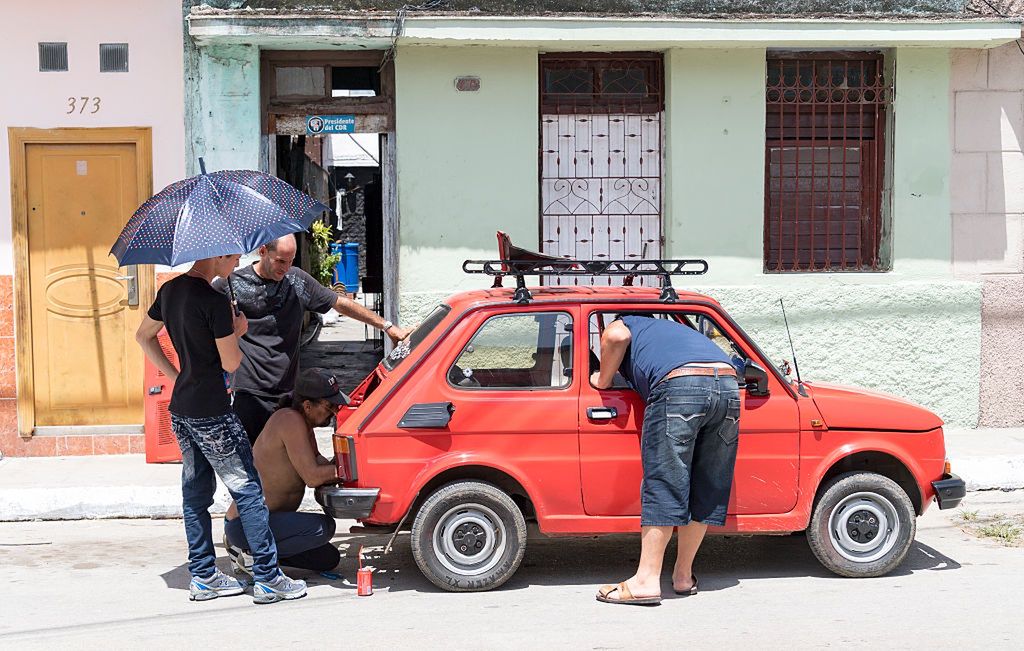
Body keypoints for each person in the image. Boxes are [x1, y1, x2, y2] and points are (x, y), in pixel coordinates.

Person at [136, 253, 307, 604]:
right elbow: (231, 362)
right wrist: (238, 330)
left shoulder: (170, 291)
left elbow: (143, 336)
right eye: (233, 257)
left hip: (182, 408)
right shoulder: (214, 301)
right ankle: (268, 577)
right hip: (212, 411)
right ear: (218, 256)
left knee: (195, 494)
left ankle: (203, 576)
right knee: (248, 491)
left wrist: (177, 377)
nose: (236, 263)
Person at [591, 314, 741, 606]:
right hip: (728, 385)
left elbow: (616, 337)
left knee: (666, 480)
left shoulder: (625, 323)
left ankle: (645, 581)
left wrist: (602, 378)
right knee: (708, 483)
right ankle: (683, 576)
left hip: (681, 385)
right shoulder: (674, 328)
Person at [214, 234, 410, 445]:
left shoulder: (297, 280)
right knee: (252, 459)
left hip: (288, 393)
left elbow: (339, 303)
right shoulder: (230, 285)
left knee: (292, 458)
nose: (285, 268)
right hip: (250, 393)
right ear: (262, 251)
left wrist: (387, 326)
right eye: (280, 261)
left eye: (290, 261)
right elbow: (200, 320)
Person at [223, 368, 346, 575]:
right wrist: (349, 469)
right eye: (329, 406)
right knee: (323, 528)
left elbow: (319, 462)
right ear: (307, 405)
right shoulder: (290, 420)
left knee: (328, 558)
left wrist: (340, 464)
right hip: (246, 524)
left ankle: (252, 551)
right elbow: (313, 476)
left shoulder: (304, 424)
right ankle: (252, 552)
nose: (334, 411)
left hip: (270, 520)